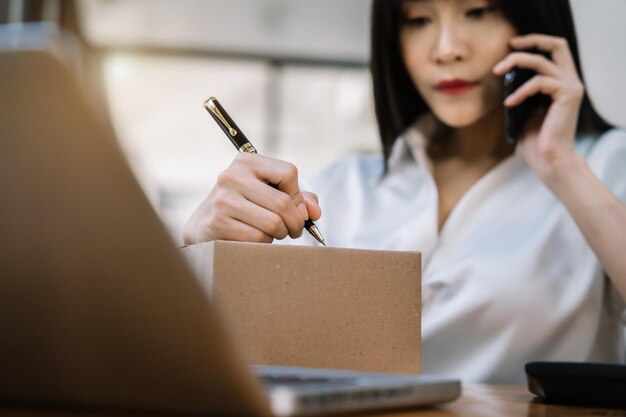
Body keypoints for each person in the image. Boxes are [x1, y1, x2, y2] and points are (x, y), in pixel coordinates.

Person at [183, 0, 626, 384]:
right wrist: (200, 253)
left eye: (478, 11)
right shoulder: (346, 183)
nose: (448, 49)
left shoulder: (602, 167)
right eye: (417, 20)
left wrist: (560, 165)